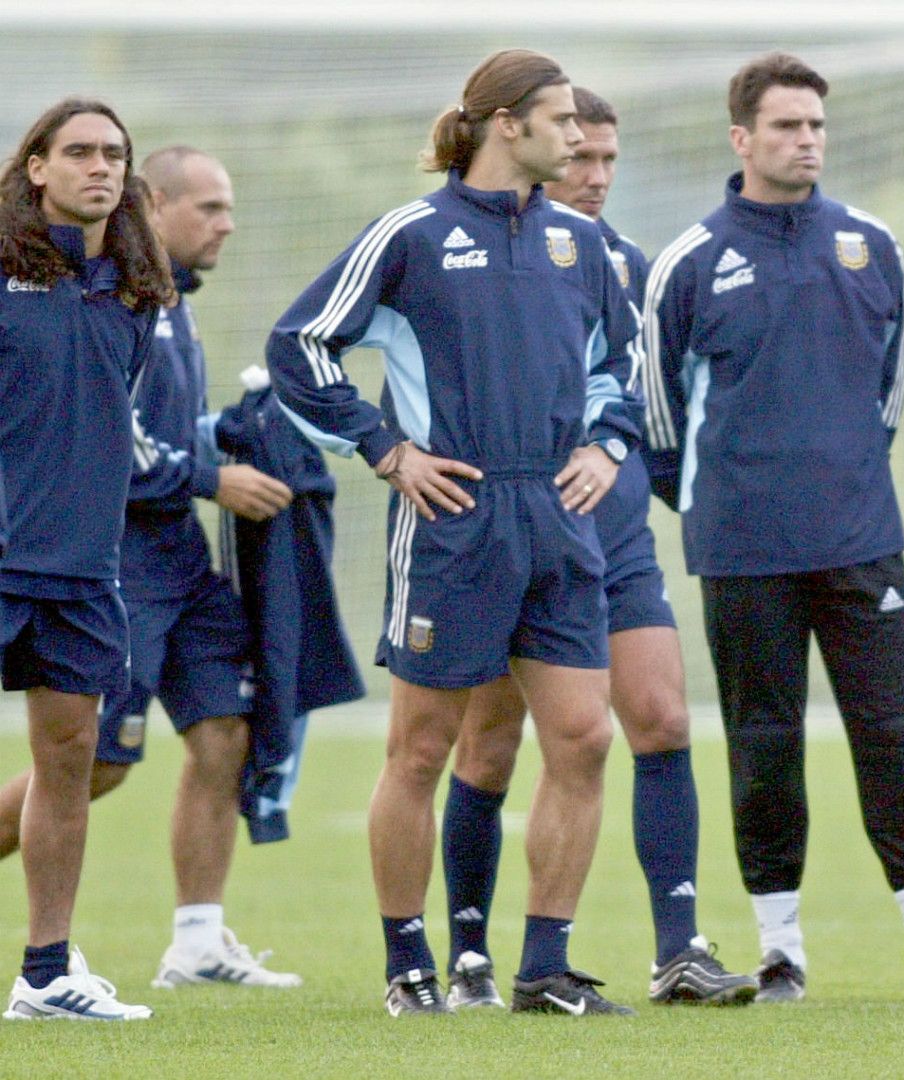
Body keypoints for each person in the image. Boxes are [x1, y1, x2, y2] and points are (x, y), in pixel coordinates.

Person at [267, 49, 644, 1017]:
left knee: (583, 739)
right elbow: (298, 345)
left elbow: (623, 361)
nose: (579, 137)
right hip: (453, 522)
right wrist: (387, 451)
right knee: (424, 751)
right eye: (561, 120)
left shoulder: (581, 244)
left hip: (559, 522)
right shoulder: (413, 233)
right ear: (505, 124)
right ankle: (407, 967)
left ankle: (542, 969)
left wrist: (606, 441)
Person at [641, 52, 904, 1005]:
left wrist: (833, 476)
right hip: (742, 546)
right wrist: (722, 497)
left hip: (858, 538)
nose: (806, 141)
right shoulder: (689, 261)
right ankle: (779, 953)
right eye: (786, 126)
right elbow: (658, 416)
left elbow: (885, 393)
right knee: (765, 747)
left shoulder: (870, 244)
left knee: (893, 736)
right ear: (742, 139)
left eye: (816, 126)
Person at [439, 86, 755, 1009]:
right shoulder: (486, 250)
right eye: (583, 156)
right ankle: (467, 952)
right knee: (491, 745)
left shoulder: (629, 265)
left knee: (659, 718)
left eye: (611, 159)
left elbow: (643, 402)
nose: (596, 175)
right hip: (510, 530)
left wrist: (646, 475)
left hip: (609, 533)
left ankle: (679, 949)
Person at [0, 146, 303, 991]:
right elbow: (101, 430)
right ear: (156, 202)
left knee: (224, 732)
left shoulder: (167, 301)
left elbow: (163, 424)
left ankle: (198, 942)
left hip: (184, 562)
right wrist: (211, 477)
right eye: (208, 207)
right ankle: (52, 960)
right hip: (116, 560)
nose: (227, 224)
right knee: (93, 763)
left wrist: (229, 437)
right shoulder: (101, 295)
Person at [1, 97, 174, 1020]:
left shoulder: (135, 290)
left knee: (68, 762)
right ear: (35, 168)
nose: (99, 166)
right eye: (78, 152)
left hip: (81, 571)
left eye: (114, 153)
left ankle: (45, 975)